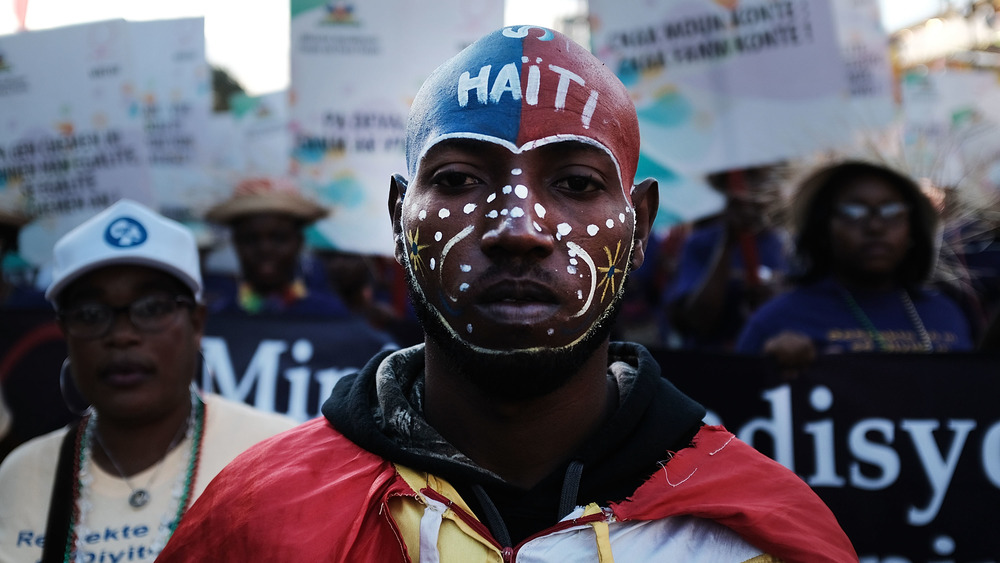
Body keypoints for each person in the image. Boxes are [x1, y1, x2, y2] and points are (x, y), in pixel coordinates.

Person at [158, 26, 856, 562]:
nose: (518, 228)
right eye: (460, 179)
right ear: (401, 217)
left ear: (640, 224)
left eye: (577, 184)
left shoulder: (755, 534)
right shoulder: (257, 517)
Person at [0, 199, 296, 562]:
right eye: (91, 313)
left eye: (153, 308)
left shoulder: (277, 457)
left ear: (197, 323)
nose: (122, 336)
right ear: (65, 331)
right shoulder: (19, 476)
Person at [736, 160, 973, 369]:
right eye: (854, 211)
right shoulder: (779, 320)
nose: (875, 227)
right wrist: (768, 370)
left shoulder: (945, 313)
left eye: (891, 210)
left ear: (912, 228)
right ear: (823, 228)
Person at [663, 165, 788, 350]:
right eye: (749, 177)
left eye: (764, 178)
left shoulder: (782, 243)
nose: (758, 187)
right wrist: (728, 242)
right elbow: (698, 319)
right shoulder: (701, 243)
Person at [204, 176, 351, 317]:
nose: (265, 250)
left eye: (279, 238)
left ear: (299, 242)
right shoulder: (215, 315)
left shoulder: (330, 314)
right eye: (251, 239)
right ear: (236, 243)